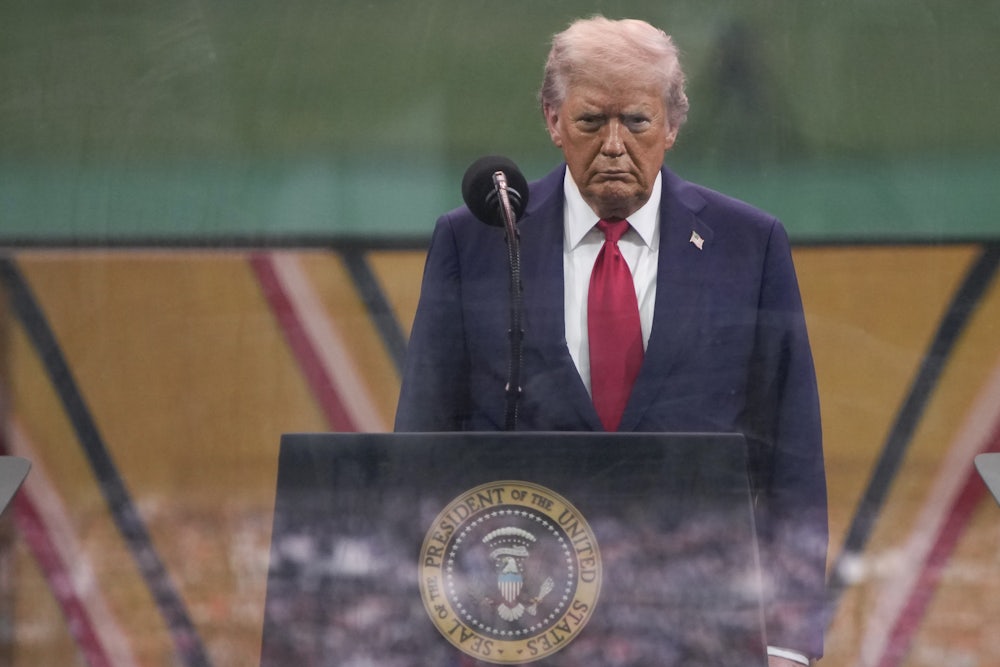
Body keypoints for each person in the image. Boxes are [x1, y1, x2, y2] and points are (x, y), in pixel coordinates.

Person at [395, 15, 827, 666]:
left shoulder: (749, 246)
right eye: (592, 121)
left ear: (672, 124)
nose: (615, 145)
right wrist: (413, 633)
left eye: (638, 121)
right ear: (553, 120)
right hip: (514, 622)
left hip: (699, 626)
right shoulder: (476, 242)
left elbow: (790, 458)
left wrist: (788, 642)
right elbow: (420, 452)